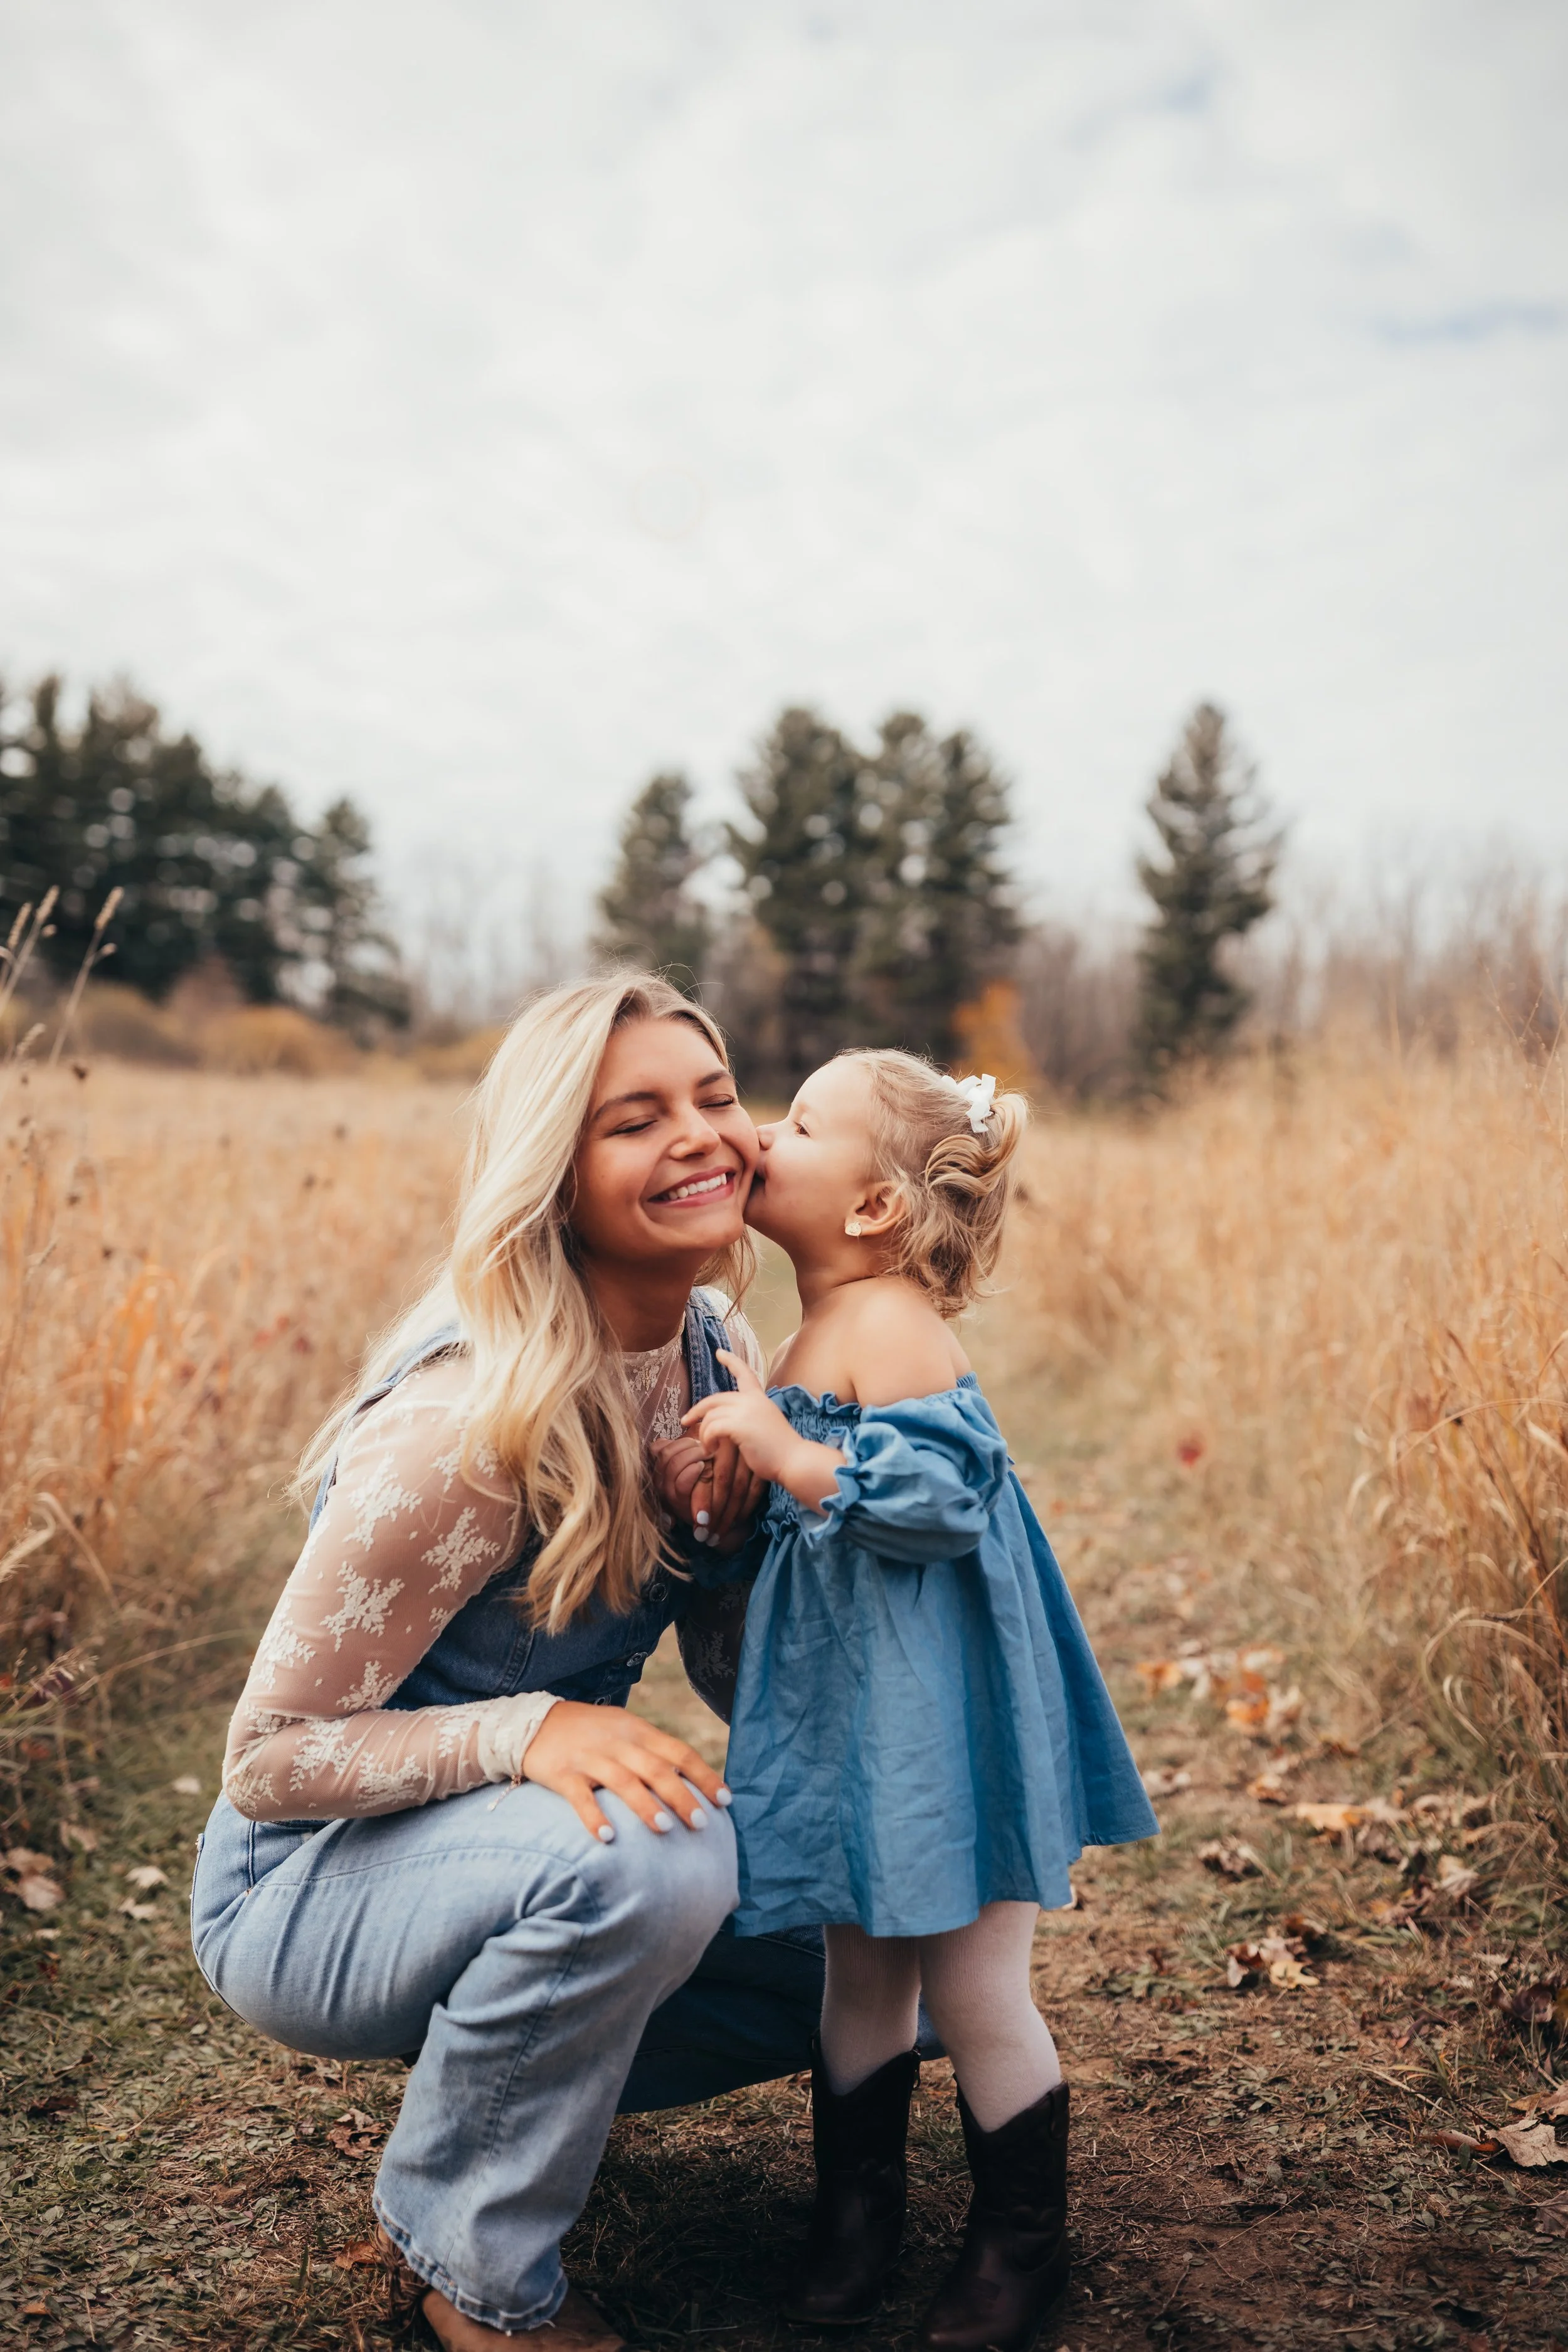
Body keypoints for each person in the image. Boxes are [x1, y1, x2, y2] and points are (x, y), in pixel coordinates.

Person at [189, 975, 825, 2352]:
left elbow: (732, 1687)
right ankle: (470, 2276)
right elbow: (267, 1763)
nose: (702, 1137)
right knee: (648, 1858)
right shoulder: (470, 1422)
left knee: (889, 1922)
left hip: (505, 1859)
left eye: (714, 1098)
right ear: (552, 1172)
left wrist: (726, 1543)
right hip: (306, 1887)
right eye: (634, 1119)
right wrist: (525, 1729)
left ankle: (512, 2073)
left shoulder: (719, 1351)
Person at [681, 1050, 1158, 2352]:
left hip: (949, 1731)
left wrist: (786, 1449)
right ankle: (857, 2211)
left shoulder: (893, 1325)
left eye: (798, 1121)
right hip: (859, 1733)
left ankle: (1019, 2242)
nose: (758, 1137)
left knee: (972, 1982)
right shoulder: (799, 1337)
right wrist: (731, 1497)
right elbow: (809, 1524)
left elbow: (935, 1506)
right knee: (857, 1968)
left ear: (873, 1210)